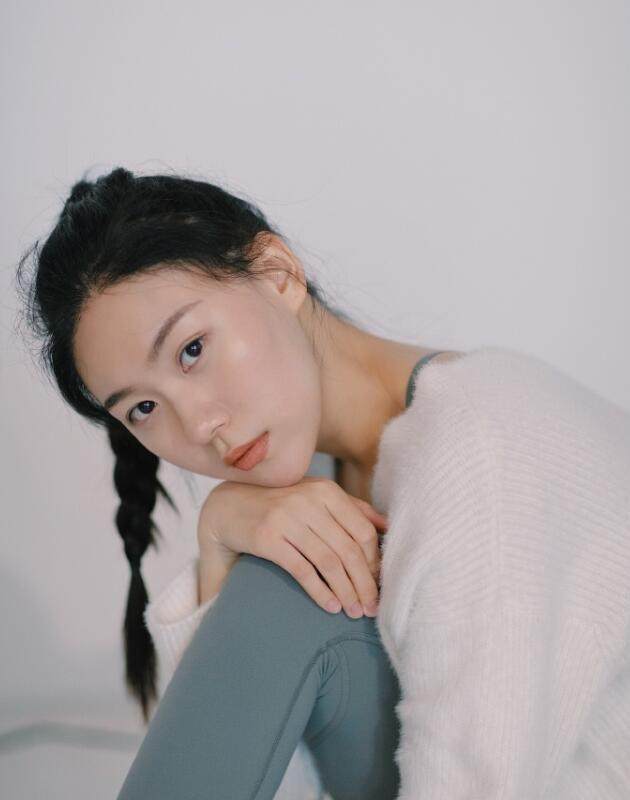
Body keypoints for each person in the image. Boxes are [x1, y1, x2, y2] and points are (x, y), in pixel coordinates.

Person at [16, 167, 630, 799]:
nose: (199, 426)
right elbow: (258, 770)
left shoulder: (479, 448)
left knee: (281, 582)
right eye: (143, 408)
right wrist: (219, 539)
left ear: (277, 273)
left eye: (192, 349)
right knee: (282, 571)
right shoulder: (308, 476)